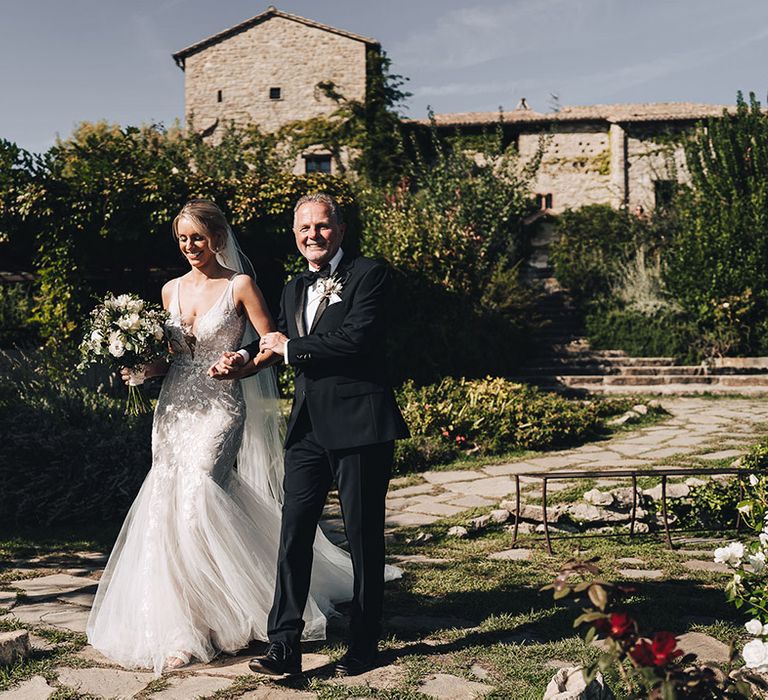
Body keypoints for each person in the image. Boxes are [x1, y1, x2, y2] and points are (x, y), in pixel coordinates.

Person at [86, 199, 359, 675]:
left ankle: (216, 617)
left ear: (216, 236)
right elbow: (172, 356)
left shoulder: (240, 285)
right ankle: (183, 622)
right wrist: (140, 369)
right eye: (182, 239)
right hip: (175, 405)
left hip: (219, 405)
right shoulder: (170, 289)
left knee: (198, 497)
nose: (190, 247)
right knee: (167, 500)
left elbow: (270, 344)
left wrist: (241, 363)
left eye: (197, 237)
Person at [211, 193, 409, 678]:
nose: (312, 235)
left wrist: (289, 347)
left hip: (361, 424)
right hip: (307, 428)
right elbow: (275, 342)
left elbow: (356, 339)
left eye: (322, 227)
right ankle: (284, 645)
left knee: (364, 538)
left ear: (340, 230)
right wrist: (244, 358)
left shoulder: (371, 274)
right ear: (295, 234)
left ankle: (364, 645)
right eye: (304, 228)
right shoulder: (295, 286)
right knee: (294, 532)